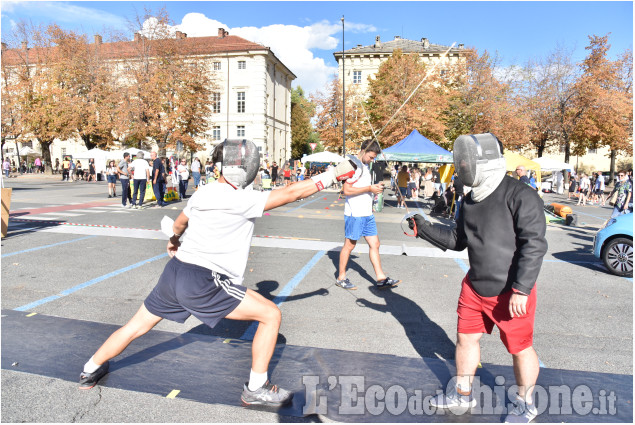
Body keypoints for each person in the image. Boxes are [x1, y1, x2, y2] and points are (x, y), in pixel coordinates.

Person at [78, 139, 356, 405]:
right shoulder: (242, 199)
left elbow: (179, 224)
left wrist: (174, 241)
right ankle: (256, 389)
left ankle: (90, 369)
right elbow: (292, 193)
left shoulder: (204, 191)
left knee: (135, 326)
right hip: (203, 280)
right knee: (271, 314)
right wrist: (334, 173)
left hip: (175, 272)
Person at [408, 133, 547, 423]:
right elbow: (459, 239)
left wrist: (522, 289)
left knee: (520, 348)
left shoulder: (521, 195)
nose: (462, 165)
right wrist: (423, 228)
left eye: (466, 160)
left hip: (511, 290)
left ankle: (525, 404)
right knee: (465, 339)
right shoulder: (469, 199)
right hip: (474, 286)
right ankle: (462, 395)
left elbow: (534, 244)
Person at [336, 139, 401, 291]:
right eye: (371, 157)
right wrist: (370, 189)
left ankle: (381, 278)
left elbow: (365, 188)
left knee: (375, 244)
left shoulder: (364, 166)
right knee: (350, 245)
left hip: (366, 213)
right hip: (355, 214)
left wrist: (373, 188)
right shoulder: (353, 165)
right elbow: (346, 191)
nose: (373, 160)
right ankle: (341, 277)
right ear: (364, 150)